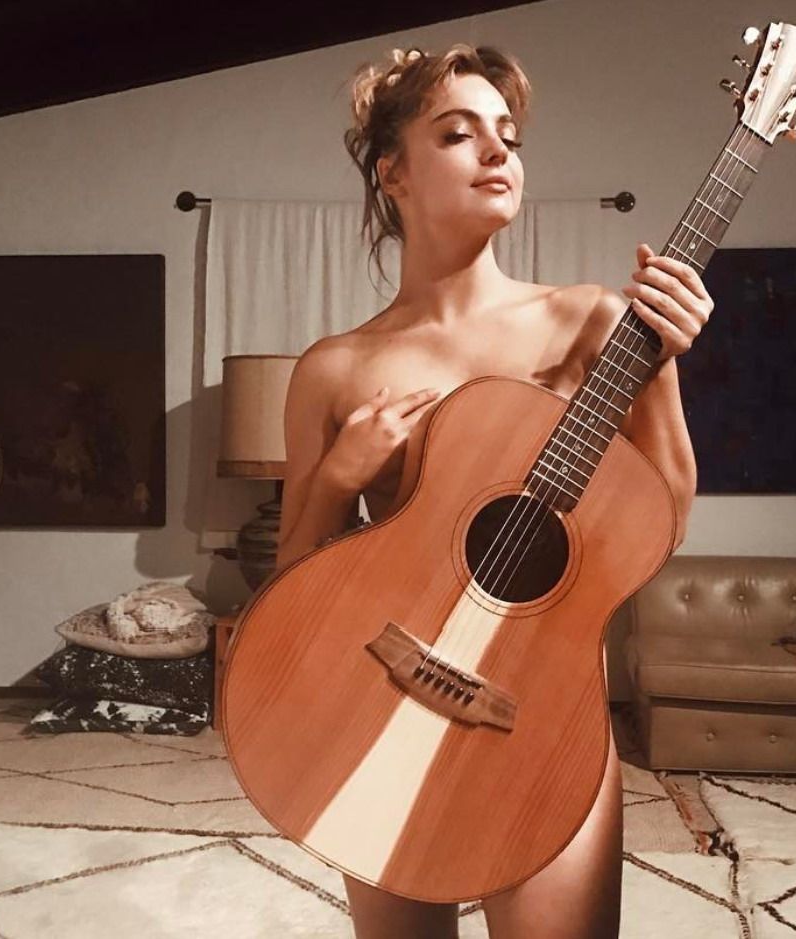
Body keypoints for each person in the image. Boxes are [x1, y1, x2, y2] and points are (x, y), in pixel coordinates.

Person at [272, 44, 710, 939]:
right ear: (393, 172)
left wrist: (661, 369)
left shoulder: (592, 321)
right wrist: (341, 475)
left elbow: (663, 522)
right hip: (384, 698)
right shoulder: (333, 369)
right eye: (457, 133)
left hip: (547, 713)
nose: (498, 149)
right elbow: (292, 582)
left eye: (507, 133)